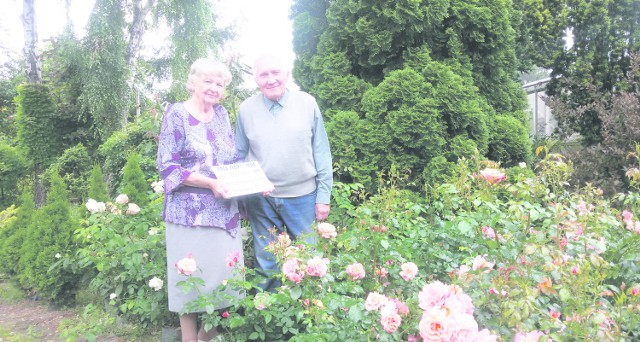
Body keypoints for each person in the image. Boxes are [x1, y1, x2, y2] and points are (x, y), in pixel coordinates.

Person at [157, 58, 242, 342]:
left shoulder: (222, 116)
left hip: (224, 212)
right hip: (188, 214)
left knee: (223, 282)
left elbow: (230, 161)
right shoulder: (176, 114)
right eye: (208, 81)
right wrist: (209, 183)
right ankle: (189, 340)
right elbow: (167, 166)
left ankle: (208, 338)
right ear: (192, 82)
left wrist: (254, 182)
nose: (214, 88)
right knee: (189, 281)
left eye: (220, 84)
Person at [235, 54, 333, 292]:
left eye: (275, 73)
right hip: (261, 201)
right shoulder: (246, 110)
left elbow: (321, 151)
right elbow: (239, 155)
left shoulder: (307, 103)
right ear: (256, 80)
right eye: (263, 74)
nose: (270, 80)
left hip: (303, 198)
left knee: (309, 259)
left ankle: (311, 314)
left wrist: (323, 196)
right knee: (267, 261)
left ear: (287, 75)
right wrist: (241, 199)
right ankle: (269, 317)